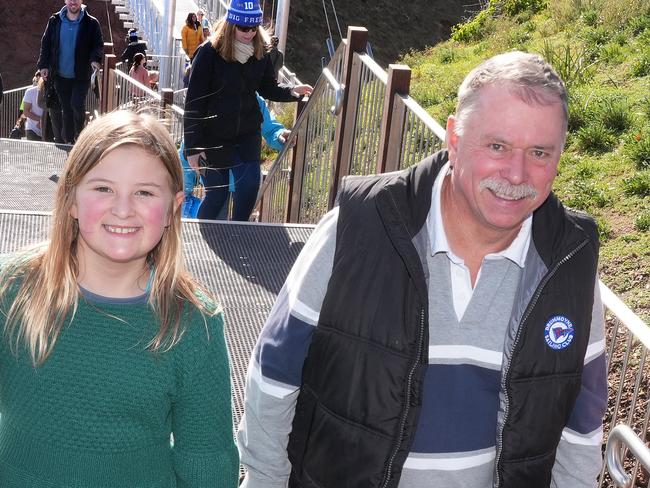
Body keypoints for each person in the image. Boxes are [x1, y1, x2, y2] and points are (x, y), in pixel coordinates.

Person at [237, 51, 608, 488]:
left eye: (540, 153)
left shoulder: (570, 268)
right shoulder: (358, 230)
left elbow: (581, 430)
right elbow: (274, 371)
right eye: (497, 145)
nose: (516, 173)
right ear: (453, 138)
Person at [0, 110, 239, 487]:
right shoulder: (11, 289)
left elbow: (206, 460)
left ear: (173, 209)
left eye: (144, 192)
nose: (123, 208)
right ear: (71, 199)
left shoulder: (194, 324)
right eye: (103, 188)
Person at [183, 0, 312, 222]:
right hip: (213, 135)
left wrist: (292, 92)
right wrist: (193, 148)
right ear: (231, 25)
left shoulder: (259, 51)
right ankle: (199, 242)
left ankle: (240, 232)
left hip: (246, 132)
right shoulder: (208, 53)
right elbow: (194, 102)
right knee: (218, 195)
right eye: (244, 28)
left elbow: (267, 87)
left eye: (254, 28)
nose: (250, 33)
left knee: (250, 185)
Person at [37, 0, 103, 144]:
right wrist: (43, 65)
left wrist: (94, 59)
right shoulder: (54, 21)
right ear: (66, 1)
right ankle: (69, 142)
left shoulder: (91, 23)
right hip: (60, 75)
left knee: (76, 103)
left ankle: (79, 135)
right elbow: (46, 43)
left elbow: (97, 45)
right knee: (66, 109)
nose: (73, 2)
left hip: (81, 75)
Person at [22, 71, 45, 141]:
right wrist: (40, 120)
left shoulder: (53, 91)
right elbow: (25, 111)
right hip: (32, 130)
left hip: (49, 129)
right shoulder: (30, 92)